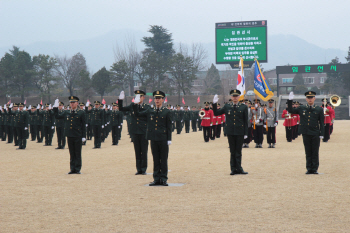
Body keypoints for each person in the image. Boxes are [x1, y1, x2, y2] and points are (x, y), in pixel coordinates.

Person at [133, 90, 172, 186]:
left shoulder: (166, 111)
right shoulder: (150, 110)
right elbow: (138, 114)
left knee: (163, 160)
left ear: (163, 100)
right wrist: (136, 104)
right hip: (153, 138)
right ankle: (156, 178)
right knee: (155, 159)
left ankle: (163, 179)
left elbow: (169, 126)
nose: (157, 100)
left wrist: (169, 139)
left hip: (163, 138)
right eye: (156, 98)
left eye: (159, 98)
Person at [212, 89, 248, 175]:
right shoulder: (227, 106)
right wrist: (214, 104)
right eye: (233, 96)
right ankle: (233, 169)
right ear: (231, 97)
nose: (235, 97)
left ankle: (239, 168)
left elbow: (246, 120)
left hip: (240, 131)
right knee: (232, 151)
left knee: (238, 151)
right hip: (230, 131)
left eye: (236, 96)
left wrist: (246, 133)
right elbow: (216, 113)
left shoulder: (244, 107)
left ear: (239, 97)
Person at [288, 91, 324, 174]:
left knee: (315, 151)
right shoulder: (302, 108)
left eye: (311, 97)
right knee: (307, 151)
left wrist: (322, 133)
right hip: (306, 132)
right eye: (308, 98)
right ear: (306, 99)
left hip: (315, 132)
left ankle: (314, 169)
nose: (310, 99)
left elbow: (321, 122)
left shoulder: (319, 109)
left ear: (314, 98)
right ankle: (309, 168)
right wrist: (290, 100)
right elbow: (291, 110)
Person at [118, 90, 149, 175]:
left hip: (143, 131)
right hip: (135, 131)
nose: (138, 98)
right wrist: (120, 100)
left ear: (143, 97)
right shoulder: (132, 105)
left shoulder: (147, 107)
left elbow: (140, 114)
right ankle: (138, 169)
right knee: (137, 151)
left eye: (140, 96)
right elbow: (121, 109)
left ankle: (143, 169)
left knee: (144, 151)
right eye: (136, 96)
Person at [54, 96, 86, 174]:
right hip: (70, 135)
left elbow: (83, 125)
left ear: (77, 103)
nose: (72, 104)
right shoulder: (66, 112)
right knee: (71, 153)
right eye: (71, 102)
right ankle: (72, 168)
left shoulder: (81, 112)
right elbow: (57, 116)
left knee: (77, 153)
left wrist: (84, 136)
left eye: (73, 102)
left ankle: (77, 169)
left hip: (78, 135)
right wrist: (55, 107)